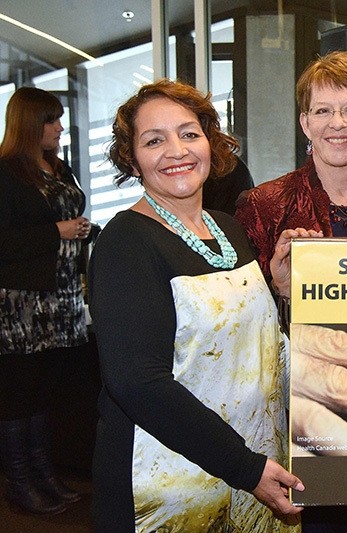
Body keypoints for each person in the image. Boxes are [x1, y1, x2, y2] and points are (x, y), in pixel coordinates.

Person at [88, 79, 303, 532]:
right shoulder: (124, 242)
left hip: (252, 470)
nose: (176, 151)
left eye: (189, 133)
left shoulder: (228, 228)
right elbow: (137, 382)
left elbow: (251, 344)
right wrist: (245, 467)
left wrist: (279, 292)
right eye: (154, 140)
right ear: (132, 158)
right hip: (172, 486)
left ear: (210, 140)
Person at [235, 50, 347, 533]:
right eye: (322, 110)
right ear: (305, 123)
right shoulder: (265, 202)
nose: (337, 123)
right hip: (302, 402)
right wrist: (276, 288)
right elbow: (241, 318)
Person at [0, 86, 88, 515]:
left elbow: (67, 220)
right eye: (51, 120)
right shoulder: (5, 173)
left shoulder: (58, 167)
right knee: (19, 395)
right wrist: (57, 231)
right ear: (31, 124)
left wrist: (83, 231)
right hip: (21, 305)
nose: (58, 127)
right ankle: (21, 481)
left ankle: (44, 475)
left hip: (64, 298)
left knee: (45, 393)